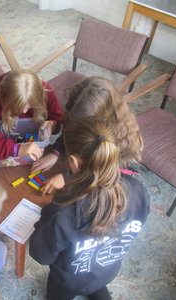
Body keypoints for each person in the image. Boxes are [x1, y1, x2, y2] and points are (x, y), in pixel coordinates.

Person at [29, 117, 150, 300]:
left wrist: (43, 225)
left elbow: (42, 256)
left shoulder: (61, 211)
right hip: (107, 269)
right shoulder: (138, 189)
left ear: (74, 162)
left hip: (68, 280)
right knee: (95, 285)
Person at [31, 77, 143, 195]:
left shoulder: (118, 140)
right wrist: (56, 153)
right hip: (77, 165)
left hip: (97, 182)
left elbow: (105, 174)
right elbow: (66, 134)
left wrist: (67, 177)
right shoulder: (75, 112)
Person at [0, 69, 63, 161]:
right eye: (17, 107)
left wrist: (52, 123)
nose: (24, 111)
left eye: (31, 105)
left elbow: (57, 118)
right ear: (4, 98)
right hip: (8, 147)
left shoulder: (48, 93)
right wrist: (16, 149)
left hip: (35, 148)